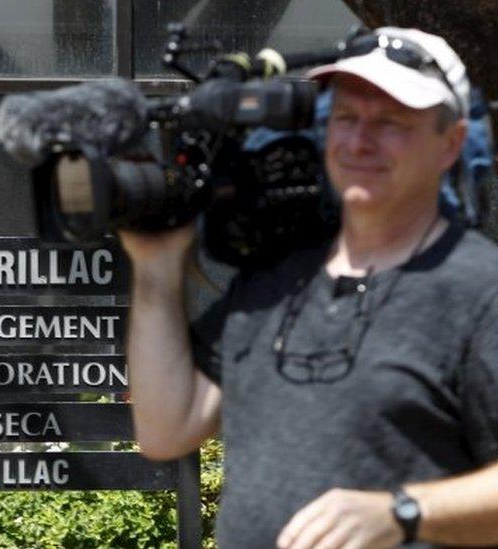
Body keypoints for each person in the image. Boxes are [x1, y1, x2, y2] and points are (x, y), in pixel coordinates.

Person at [122, 27, 498, 548]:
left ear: (450, 143)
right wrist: (156, 268)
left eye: (391, 122)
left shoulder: (481, 290)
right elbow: (166, 429)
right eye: (345, 118)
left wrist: (404, 511)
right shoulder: (277, 277)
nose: (360, 140)